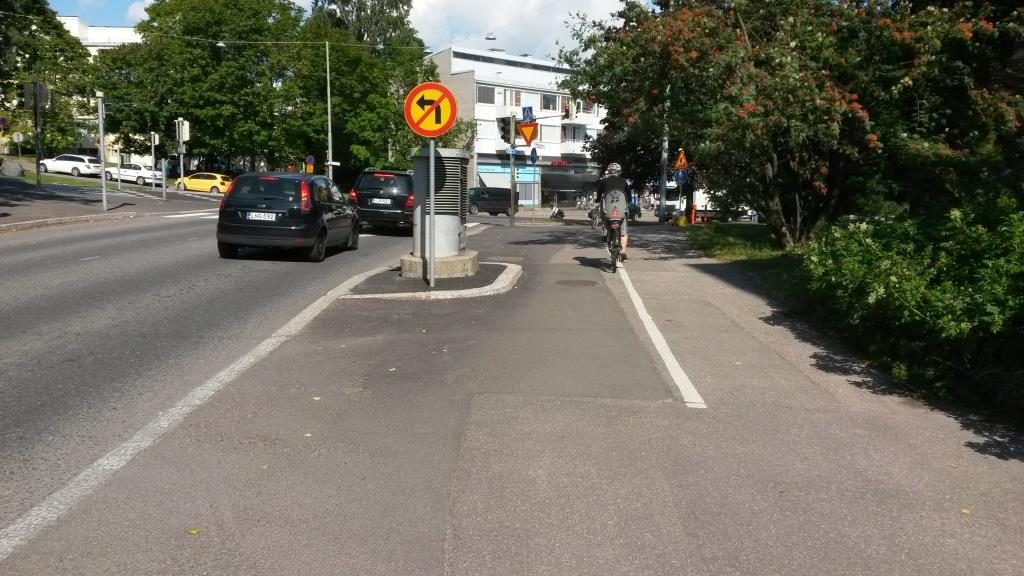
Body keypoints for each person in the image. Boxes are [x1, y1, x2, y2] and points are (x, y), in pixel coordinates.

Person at [595, 162, 630, 261]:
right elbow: (629, 195)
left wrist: (597, 199)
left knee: (604, 217)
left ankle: (605, 232)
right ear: (619, 172)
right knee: (624, 231)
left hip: (608, 212)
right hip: (621, 213)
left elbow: (599, 195)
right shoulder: (624, 181)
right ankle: (623, 251)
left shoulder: (604, 181)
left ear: (609, 171)